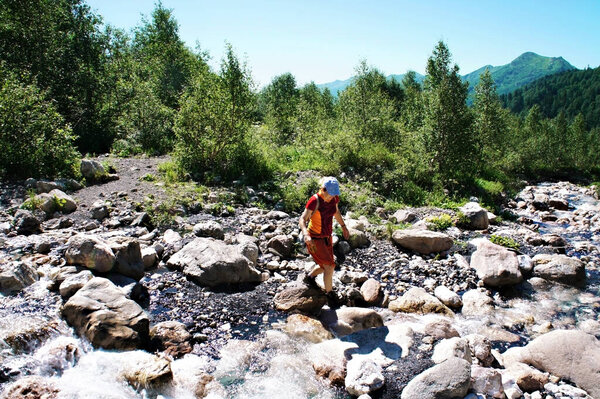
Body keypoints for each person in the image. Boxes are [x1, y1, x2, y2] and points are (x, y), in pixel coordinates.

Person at [299, 177, 349, 297]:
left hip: (327, 237)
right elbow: (302, 219)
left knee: (326, 265)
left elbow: (336, 212)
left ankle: (310, 278)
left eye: (334, 194)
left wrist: (343, 226)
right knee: (330, 266)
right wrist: (306, 234)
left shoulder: (334, 198)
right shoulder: (314, 200)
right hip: (314, 239)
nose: (332, 197)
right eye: (330, 194)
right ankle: (330, 295)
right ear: (323, 189)